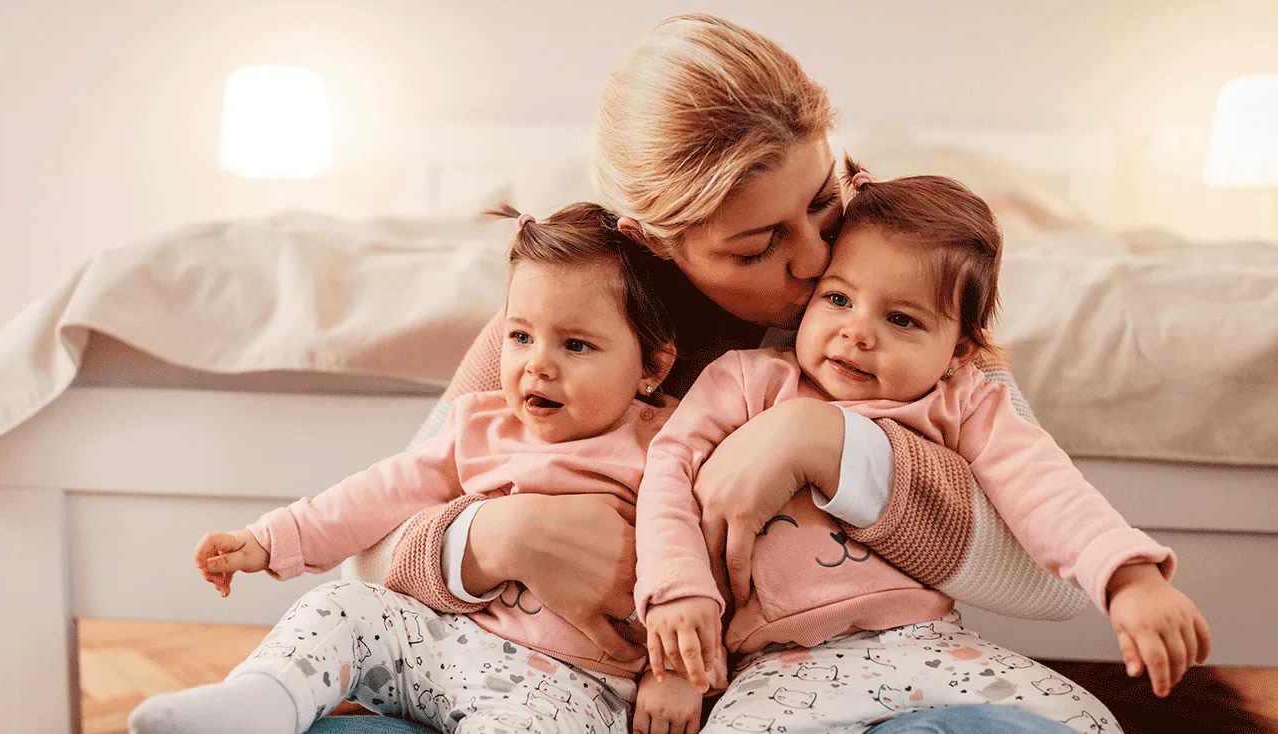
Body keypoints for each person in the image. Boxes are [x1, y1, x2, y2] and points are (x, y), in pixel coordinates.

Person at [320, 13, 1118, 734]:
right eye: (757, 245)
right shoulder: (561, 332)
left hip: (841, 692)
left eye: (824, 199)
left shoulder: (891, 305)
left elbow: (1052, 584)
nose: (815, 258)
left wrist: (830, 444)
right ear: (654, 242)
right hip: (559, 699)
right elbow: (368, 555)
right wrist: (494, 538)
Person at [636, 158, 1211, 733]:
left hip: (928, 644)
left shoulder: (964, 400)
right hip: (780, 664)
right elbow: (668, 474)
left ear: (959, 351)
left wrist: (1131, 579)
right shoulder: (746, 380)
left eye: (902, 320)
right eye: (838, 299)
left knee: (1084, 721)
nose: (857, 332)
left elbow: (1043, 485)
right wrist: (677, 606)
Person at [129, 203, 697, 734]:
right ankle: (258, 702)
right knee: (337, 609)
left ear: (652, 366)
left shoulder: (669, 445)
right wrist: (271, 539)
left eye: (575, 345)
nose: (537, 365)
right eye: (520, 336)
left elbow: (699, 571)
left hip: (570, 686)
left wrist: (674, 674)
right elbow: (380, 493)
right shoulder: (480, 423)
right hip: (440, 639)